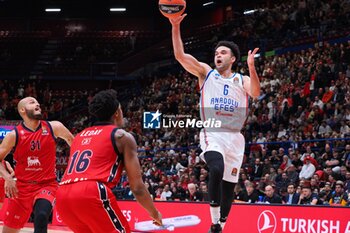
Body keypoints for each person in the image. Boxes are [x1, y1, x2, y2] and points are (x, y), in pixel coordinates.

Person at [170, 14, 260, 233]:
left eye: (223, 53)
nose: (218, 55)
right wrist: (175, 26)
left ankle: (219, 227)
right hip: (214, 132)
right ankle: (213, 221)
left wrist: (251, 67)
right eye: (216, 53)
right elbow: (180, 56)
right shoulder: (206, 73)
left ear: (232, 59)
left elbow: (256, 93)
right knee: (216, 168)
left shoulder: (240, 79)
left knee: (229, 188)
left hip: (236, 138)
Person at [56, 90, 162, 233]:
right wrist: (154, 213)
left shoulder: (79, 136)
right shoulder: (121, 136)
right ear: (117, 112)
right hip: (90, 191)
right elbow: (137, 187)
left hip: (63, 195)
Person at [0, 97, 74, 233]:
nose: (37, 104)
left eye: (38, 102)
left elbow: (74, 143)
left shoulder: (54, 127)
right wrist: (8, 178)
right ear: (22, 110)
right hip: (21, 188)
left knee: (41, 216)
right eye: (32, 102)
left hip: (47, 185)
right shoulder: (14, 135)